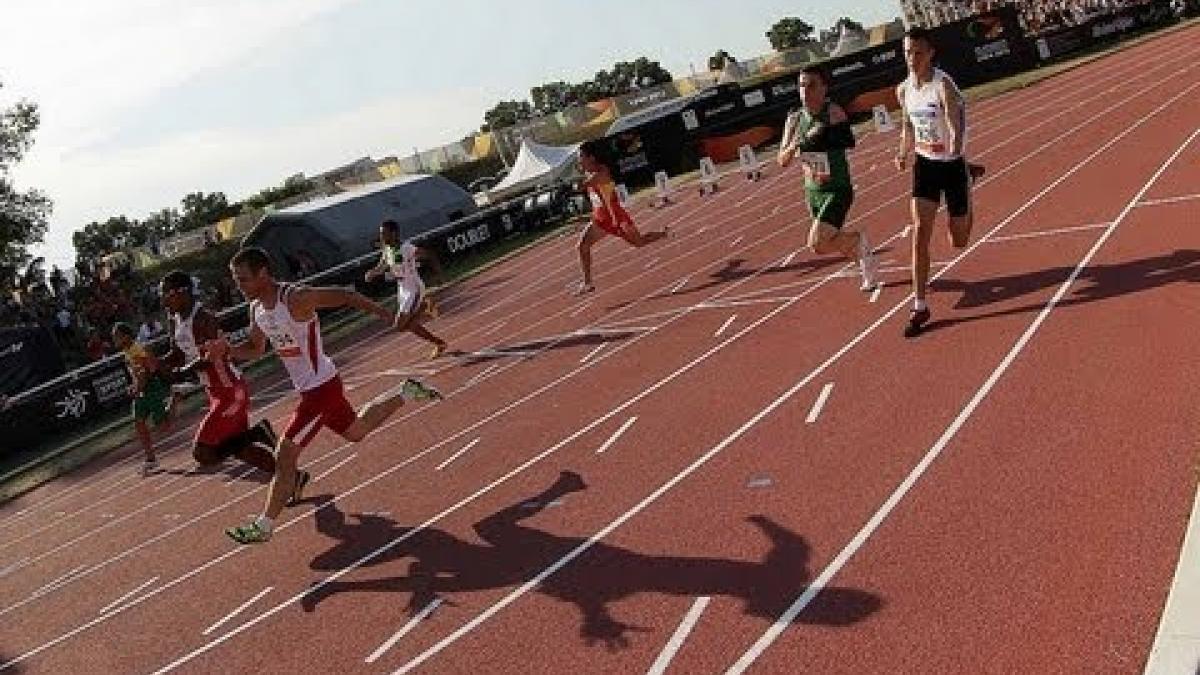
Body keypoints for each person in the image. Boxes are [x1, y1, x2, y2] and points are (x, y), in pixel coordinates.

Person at [206, 247, 442, 544]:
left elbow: (346, 295)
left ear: (263, 274)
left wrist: (386, 314)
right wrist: (226, 351)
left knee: (285, 454)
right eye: (235, 280)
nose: (238, 286)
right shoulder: (257, 309)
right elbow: (256, 349)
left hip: (321, 389)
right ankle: (404, 391)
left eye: (243, 279)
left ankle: (264, 525)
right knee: (356, 431)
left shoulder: (296, 298)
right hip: (315, 387)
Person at [895, 27, 982, 337]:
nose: (911, 58)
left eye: (917, 52)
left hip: (952, 165)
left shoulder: (942, 85)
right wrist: (903, 152)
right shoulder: (904, 90)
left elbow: (953, 121)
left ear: (930, 53)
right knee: (920, 231)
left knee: (958, 240)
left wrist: (956, 146)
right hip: (926, 166)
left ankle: (968, 183)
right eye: (907, 52)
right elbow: (907, 124)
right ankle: (919, 304)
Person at [157, 270, 280, 483]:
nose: (163, 299)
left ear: (182, 292)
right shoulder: (174, 319)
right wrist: (156, 365)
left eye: (166, 293)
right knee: (242, 451)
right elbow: (176, 353)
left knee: (203, 452)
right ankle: (289, 478)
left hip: (230, 391)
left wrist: (182, 372)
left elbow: (211, 356)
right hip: (215, 391)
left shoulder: (204, 318)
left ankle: (257, 433)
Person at [778, 65, 879, 291]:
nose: (805, 90)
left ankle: (859, 242)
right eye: (801, 85)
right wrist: (796, 143)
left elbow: (848, 142)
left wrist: (821, 134)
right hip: (812, 191)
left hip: (837, 188)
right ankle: (866, 263)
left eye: (812, 85)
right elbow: (782, 161)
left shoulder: (833, 113)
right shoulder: (793, 120)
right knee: (828, 241)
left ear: (824, 88)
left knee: (817, 243)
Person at [574, 145, 669, 295]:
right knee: (582, 246)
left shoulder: (601, 172)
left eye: (580, 157)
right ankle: (588, 283)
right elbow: (595, 199)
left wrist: (574, 184)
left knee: (639, 242)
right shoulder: (588, 173)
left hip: (616, 219)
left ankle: (664, 233)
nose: (578, 160)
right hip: (600, 221)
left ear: (590, 157)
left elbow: (584, 185)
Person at [364, 220, 447, 359]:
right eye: (380, 233)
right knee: (408, 325)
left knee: (400, 326)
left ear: (394, 233)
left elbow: (430, 254)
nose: (381, 236)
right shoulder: (387, 249)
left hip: (413, 288)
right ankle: (439, 343)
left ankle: (425, 306)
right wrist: (372, 273)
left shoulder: (406, 248)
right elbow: (383, 265)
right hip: (402, 289)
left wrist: (439, 274)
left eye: (384, 233)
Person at [112, 322, 174, 475]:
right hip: (142, 390)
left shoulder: (137, 349)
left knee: (163, 426)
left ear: (126, 336)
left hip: (151, 388)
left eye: (117, 336)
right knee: (138, 422)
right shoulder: (127, 351)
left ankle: (176, 398)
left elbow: (147, 371)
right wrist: (134, 386)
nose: (115, 340)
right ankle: (151, 458)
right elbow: (136, 374)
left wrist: (138, 386)